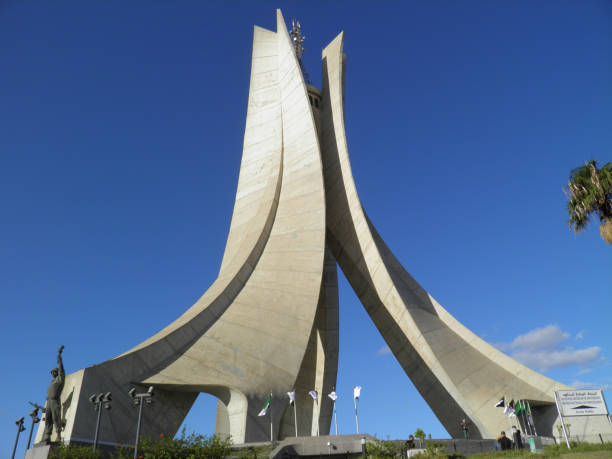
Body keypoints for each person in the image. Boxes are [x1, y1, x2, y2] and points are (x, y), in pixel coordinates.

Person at [41, 346, 65, 443]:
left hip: (55, 402)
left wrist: (59, 354)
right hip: (49, 402)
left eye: (54, 372)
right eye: (52, 372)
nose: (52, 373)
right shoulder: (52, 383)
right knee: (48, 420)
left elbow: (60, 366)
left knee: (56, 418)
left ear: (57, 372)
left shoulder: (60, 379)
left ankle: (58, 435)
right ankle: (47, 436)